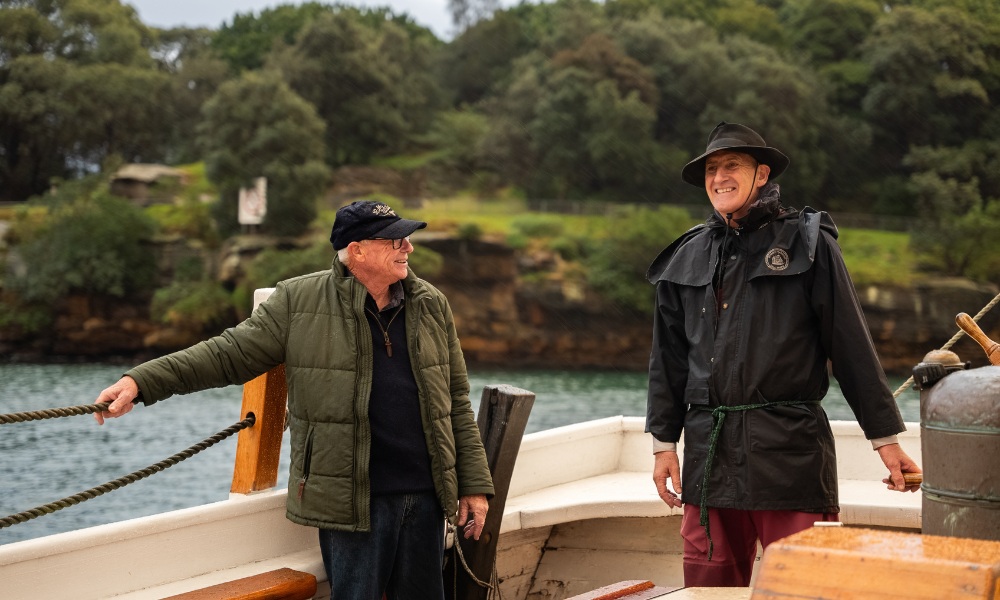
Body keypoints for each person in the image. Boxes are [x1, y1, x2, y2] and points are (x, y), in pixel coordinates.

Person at [94, 200, 494, 600]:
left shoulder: (431, 303)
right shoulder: (297, 302)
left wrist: (473, 484)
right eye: (395, 240)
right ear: (356, 250)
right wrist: (141, 381)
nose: (408, 248)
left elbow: (456, 400)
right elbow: (225, 355)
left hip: (425, 498)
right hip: (350, 504)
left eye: (407, 239)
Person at [644, 122, 921, 587]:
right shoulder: (685, 256)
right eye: (712, 168)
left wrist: (886, 440)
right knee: (708, 590)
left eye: (732, 165)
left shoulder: (809, 243)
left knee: (803, 588)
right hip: (708, 463)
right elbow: (666, 362)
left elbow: (851, 347)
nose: (719, 177)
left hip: (790, 456)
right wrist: (663, 445)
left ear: (761, 173)